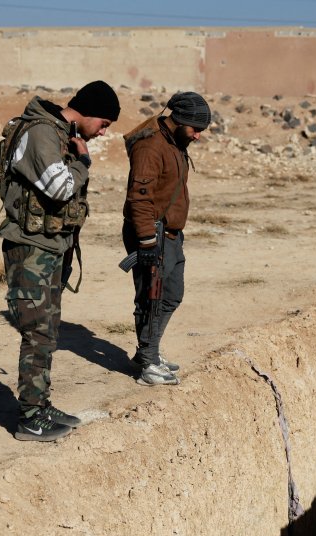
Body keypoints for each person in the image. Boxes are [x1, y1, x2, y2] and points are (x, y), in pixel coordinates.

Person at [0, 80, 120, 442]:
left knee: (47, 331)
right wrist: (83, 162)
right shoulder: (41, 134)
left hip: (49, 247)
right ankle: (30, 417)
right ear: (91, 111)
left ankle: (40, 405)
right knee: (37, 331)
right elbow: (61, 188)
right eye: (105, 123)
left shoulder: (57, 131)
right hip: (31, 248)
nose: (103, 131)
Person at [121, 91, 211, 386]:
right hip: (152, 235)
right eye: (195, 129)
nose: (198, 136)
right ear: (180, 121)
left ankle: (150, 351)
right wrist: (146, 241)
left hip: (171, 235)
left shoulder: (174, 142)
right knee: (152, 298)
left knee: (171, 294)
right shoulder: (151, 147)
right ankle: (148, 365)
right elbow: (140, 197)